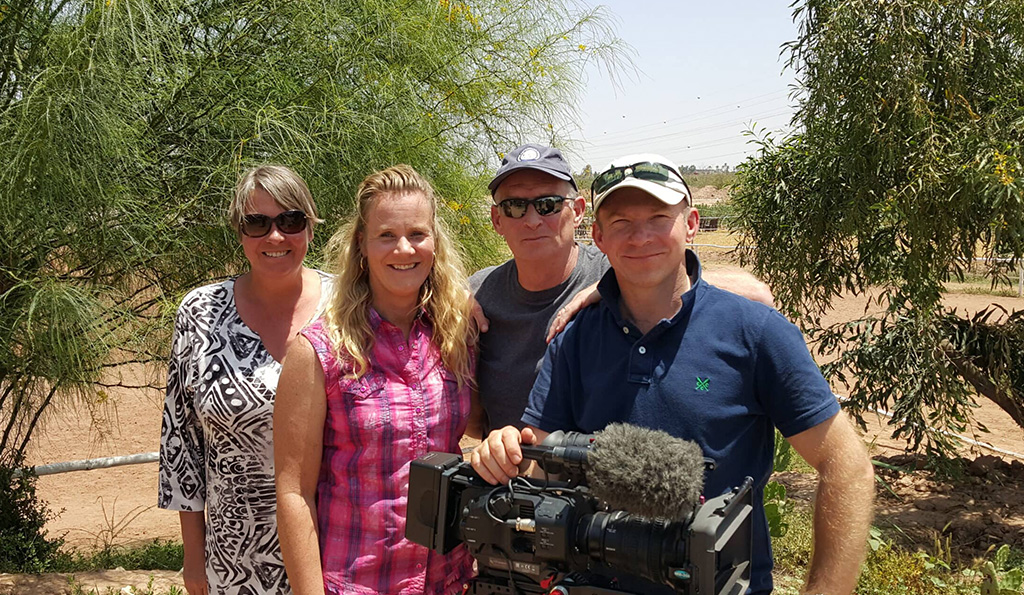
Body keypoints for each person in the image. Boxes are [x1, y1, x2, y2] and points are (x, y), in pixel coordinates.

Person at [471, 154, 875, 595]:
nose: (640, 236)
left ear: (691, 224)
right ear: (600, 236)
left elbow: (846, 464)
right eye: (621, 222)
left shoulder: (755, 332)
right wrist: (504, 450)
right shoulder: (574, 339)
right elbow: (540, 462)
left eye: (659, 217)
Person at [469, 144, 775, 434]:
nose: (533, 220)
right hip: (513, 480)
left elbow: (756, 294)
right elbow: (469, 418)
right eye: (515, 207)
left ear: (577, 211)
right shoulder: (478, 294)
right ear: (497, 219)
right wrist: (451, 296)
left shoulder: (622, 265)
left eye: (548, 205)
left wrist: (611, 285)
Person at [275, 165, 476, 595]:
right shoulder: (318, 352)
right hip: (357, 583)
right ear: (361, 247)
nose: (404, 248)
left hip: (449, 581)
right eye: (386, 235)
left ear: (435, 244)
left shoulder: (456, 334)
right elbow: (293, 493)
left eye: (417, 234)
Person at [159, 165, 330, 595]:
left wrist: (466, 303)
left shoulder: (347, 305)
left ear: (310, 227)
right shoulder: (199, 313)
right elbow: (182, 446)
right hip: (233, 564)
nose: (275, 237)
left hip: (333, 553)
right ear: (239, 232)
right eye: (257, 223)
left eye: (290, 221)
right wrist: (193, 560)